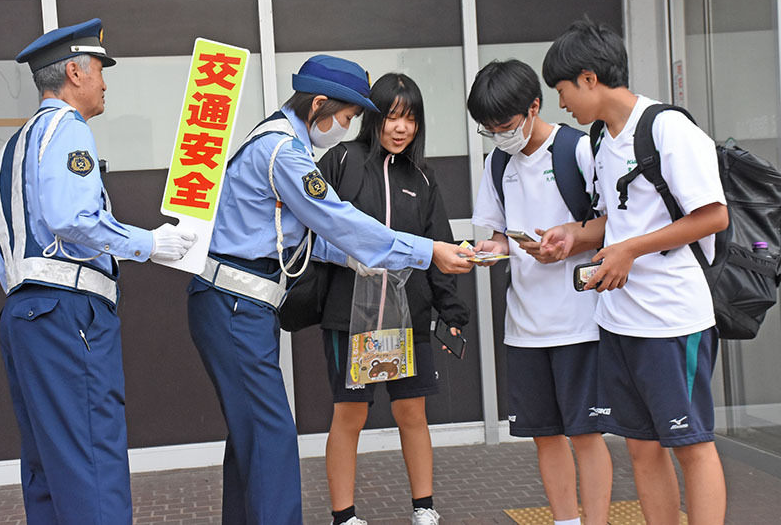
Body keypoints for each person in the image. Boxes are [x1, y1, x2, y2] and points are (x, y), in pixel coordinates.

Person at [186, 55, 475, 525]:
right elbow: (338, 221)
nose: (344, 128)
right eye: (344, 117)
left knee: (251, 437)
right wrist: (427, 252)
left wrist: (360, 256)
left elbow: (311, 238)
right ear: (319, 104)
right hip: (236, 302)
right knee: (272, 434)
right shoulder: (286, 153)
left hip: (237, 304)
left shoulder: (280, 143)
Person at [0, 18, 196, 525]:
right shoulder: (68, 130)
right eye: (101, 69)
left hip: (25, 313)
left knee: (47, 465)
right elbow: (72, 218)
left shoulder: (12, 148)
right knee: (91, 459)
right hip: (69, 312)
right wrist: (150, 243)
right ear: (76, 72)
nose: (104, 82)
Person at [540, 19, 728, 525]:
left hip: (672, 319)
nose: (563, 105)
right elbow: (618, 220)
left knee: (690, 444)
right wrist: (575, 235)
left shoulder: (667, 127)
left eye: (561, 91)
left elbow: (713, 215)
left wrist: (630, 252)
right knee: (643, 449)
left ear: (587, 78)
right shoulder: (602, 139)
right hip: (620, 320)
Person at [316, 73, 470, 525]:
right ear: (373, 117)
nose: (401, 128)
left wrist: (451, 310)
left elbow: (437, 242)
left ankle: (425, 509)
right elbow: (313, 227)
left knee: (411, 412)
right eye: (393, 116)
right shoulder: (341, 160)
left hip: (409, 318)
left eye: (411, 119)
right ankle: (344, 516)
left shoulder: (422, 176)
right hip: (349, 317)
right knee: (350, 414)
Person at [466, 59, 612, 525]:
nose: (499, 134)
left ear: (534, 106)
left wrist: (572, 238)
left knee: (586, 435)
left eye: (504, 125)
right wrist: (490, 249)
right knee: (545, 435)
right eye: (488, 129)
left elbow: (617, 226)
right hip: (524, 325)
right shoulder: (498, 163)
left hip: (581, 321)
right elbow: (499, 233)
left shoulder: (579, 149)